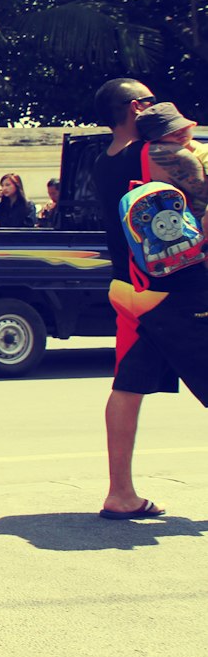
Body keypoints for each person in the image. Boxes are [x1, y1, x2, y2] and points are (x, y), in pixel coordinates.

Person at [91, 78, 208, 521]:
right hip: (177, 290)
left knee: (127, 387)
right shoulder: (160, 154)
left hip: (128, 289)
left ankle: (121, 493)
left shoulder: (103, 162)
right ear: (138, 107)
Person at [136, 102, 208, 219]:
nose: (178, 132)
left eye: (180, 127)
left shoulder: (205, 151)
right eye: (170, 131)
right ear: (156, 140)